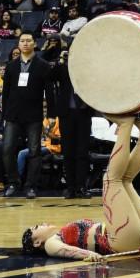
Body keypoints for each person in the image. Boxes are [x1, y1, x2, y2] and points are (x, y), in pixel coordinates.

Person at [21, 115, 140, 260]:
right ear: (37, 243)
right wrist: (90, 255)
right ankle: (125, 126)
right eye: (37, 227)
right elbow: (63, 250)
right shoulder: (50, 243)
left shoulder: (61, 234)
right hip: (121, 241)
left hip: (130, 238)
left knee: (125, 180)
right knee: (111, 180)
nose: (42, 223)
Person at [0, 33, 54, 198]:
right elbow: (6, 92)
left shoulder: (43, 65)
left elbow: (49, 92)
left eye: (28, 40)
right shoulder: (11, 66)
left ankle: (31, 186)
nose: (25, 43)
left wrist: (51, 114)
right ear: (18, 44)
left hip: (34, 115)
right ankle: (13, 183)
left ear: (34, 43)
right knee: (7, 149)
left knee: (34, 151)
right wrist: (4, 115)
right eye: (22, 41)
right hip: (13, 115)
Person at [49, 41, 94, 199]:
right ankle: (70, 187)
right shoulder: (62, 67)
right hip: (66, 113)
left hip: (84, 112)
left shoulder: (88, 68)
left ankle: (81, 186)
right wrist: (60, 59)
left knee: (82, 152)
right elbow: (50, 75)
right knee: (68, 152)